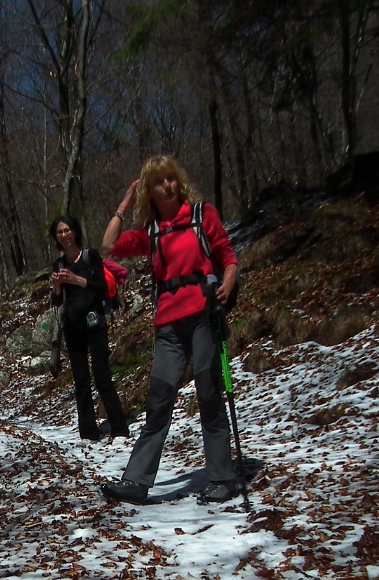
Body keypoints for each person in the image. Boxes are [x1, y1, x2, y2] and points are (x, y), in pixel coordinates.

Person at [98, 155, 240, 504]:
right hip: (168, 324)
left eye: (171, 179)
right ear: (150, 190)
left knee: (209, 393)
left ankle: (222, 476)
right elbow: (109, 245)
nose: (168, 186)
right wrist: (123, 206)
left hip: (205, 313)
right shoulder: (151, 231)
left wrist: (227, 284)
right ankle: (135, 480)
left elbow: (227, 256)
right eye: (159, 182)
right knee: (158, 400)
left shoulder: (202, 215)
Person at [49, 215, 130, 442]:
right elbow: (57, 303)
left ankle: (120, 428)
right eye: (59, 232)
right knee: (81, 380)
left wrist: (77, 280)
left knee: (102, 375)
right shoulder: (59, 264)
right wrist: (57, 287)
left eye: (67, 230)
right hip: (73, 325)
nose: (64, 235)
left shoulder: (90, 256)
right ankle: (88, 432)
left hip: (95, 321)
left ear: (74, 232)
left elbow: (101, 287)